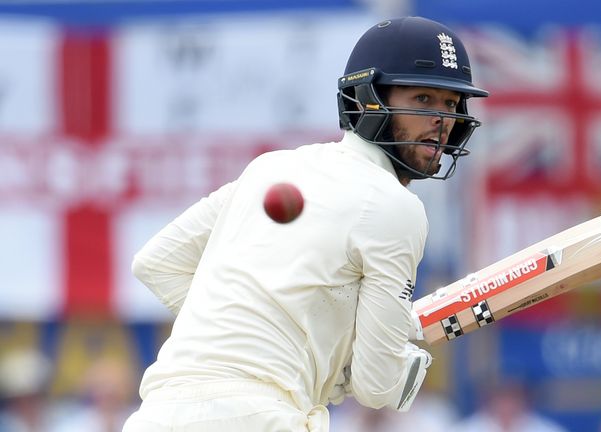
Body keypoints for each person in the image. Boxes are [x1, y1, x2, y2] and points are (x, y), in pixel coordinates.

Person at [122, 16, 488, 432]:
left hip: (158, 415)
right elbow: (376, 386)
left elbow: (156, 263)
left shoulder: (271, 168)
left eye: (451, 103)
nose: (442, 119)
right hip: (263, 419)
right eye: (423, 99)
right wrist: (402, 366)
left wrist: (269, 341)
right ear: (369, 98)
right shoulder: (395, 206)